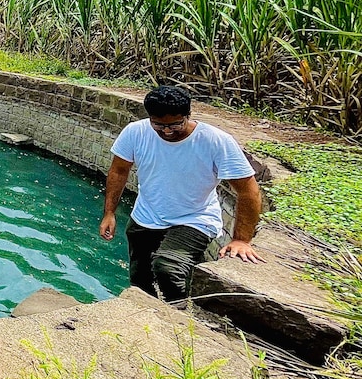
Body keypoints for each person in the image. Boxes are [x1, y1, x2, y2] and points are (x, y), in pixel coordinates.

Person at [99, 84, 263, 302]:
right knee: (140, 280)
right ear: (149, 118)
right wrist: (109, 212)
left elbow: (248, 190)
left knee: (168, 267)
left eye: (175, 124)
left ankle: (181, 313)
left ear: (188, 115)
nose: (167, 131)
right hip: (146, 216)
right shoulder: (135, 132)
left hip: (195, 217)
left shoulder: (215, 141)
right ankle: (147, 318)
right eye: (158, 125)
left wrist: (241, 240)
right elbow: (118, 171)